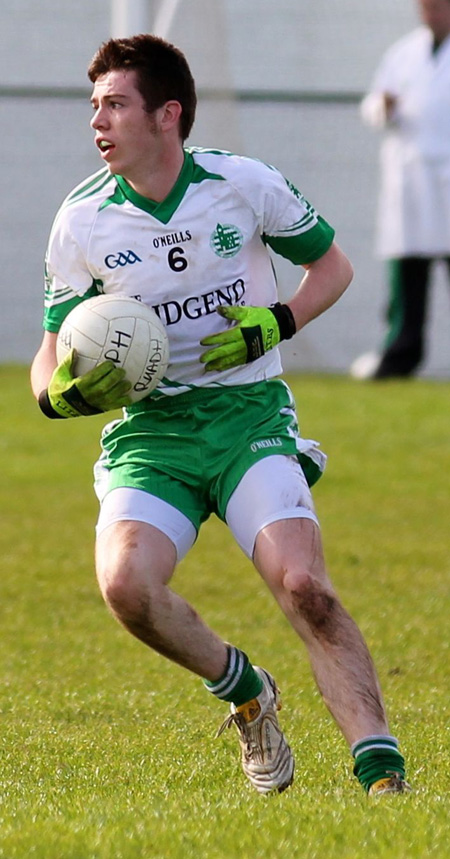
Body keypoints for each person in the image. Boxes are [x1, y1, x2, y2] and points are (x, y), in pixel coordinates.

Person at [31, 33, 410, 796]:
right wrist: (55, 393)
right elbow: (49, 352)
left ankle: (382, 774)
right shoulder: (82, 220)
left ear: (167, 115)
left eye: (115, 105)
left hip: (248, 418)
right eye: (94, 106)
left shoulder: (243, 184)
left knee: (304, 583)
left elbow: (330, 267)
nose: (97, 122)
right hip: (151, 435)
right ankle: (246, 690)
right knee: (126, 588)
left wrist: (278, 322)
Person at [351, 0, 450, 380]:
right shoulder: (403, 53)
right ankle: (400, 356)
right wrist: (383, 106)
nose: (431, 13)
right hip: (411, 182)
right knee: (408, 275)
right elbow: (373, 103)